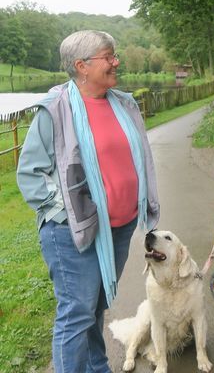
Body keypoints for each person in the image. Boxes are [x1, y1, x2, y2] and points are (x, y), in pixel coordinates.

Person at [17, 30, 160, 372]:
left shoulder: (123, 103)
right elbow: (30, 174)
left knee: (94, 307)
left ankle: (97, 367)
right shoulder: (56, 110)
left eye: (114, 55)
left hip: (119, 227)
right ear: (82, 66)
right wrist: (66, 211)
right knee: (76, 313)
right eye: (109, 57)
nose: (116, 62)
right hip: (73, 232)